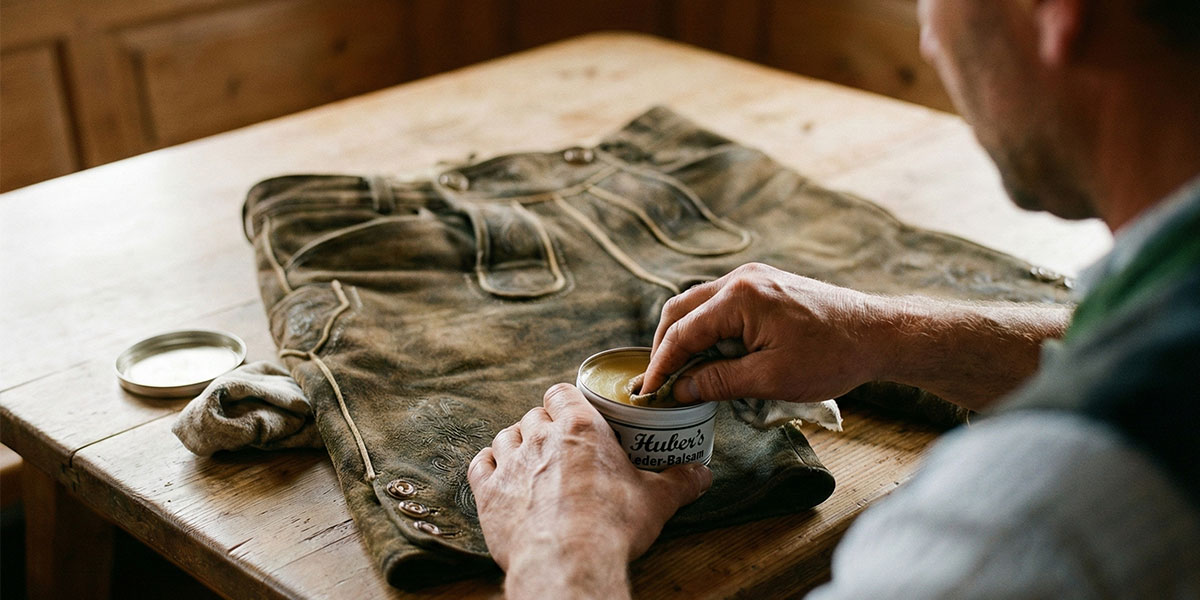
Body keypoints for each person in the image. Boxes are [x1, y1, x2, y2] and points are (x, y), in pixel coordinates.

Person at [466, 0, 1200, 597]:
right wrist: (893, 334)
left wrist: (561, 555)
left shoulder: (1025, 525)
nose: (927, 36)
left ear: (1054, 11)